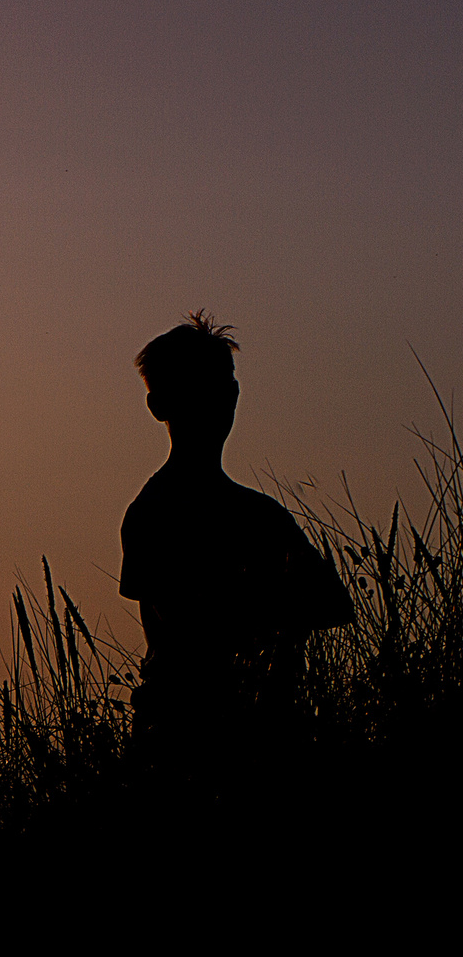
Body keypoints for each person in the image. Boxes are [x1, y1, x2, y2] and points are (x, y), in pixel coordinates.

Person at [119, 311, 353, 794]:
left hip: (270, 734)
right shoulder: (154, 514)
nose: (223, 398)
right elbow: (187, 622)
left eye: (226, 385)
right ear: (160, 404)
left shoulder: (262, 515)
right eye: (200, 386)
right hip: (183, 739)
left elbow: (334, 606)